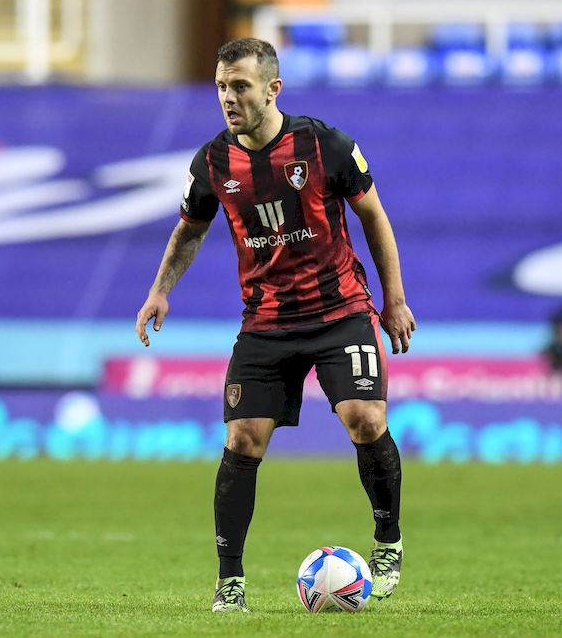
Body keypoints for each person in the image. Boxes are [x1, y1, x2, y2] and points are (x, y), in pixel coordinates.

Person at [134, 38, 416, 612]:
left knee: (365, 419)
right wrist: (161, 290)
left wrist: (394, 300)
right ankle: (230, 583)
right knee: (242, 440)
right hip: (265, 323)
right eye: (220, 86)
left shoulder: (323, 145)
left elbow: (374, 217)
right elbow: (190, 228)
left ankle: (388, 540)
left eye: (239, 85)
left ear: (272, 89)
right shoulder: (212, 163)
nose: (228, 97)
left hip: (339, 313)